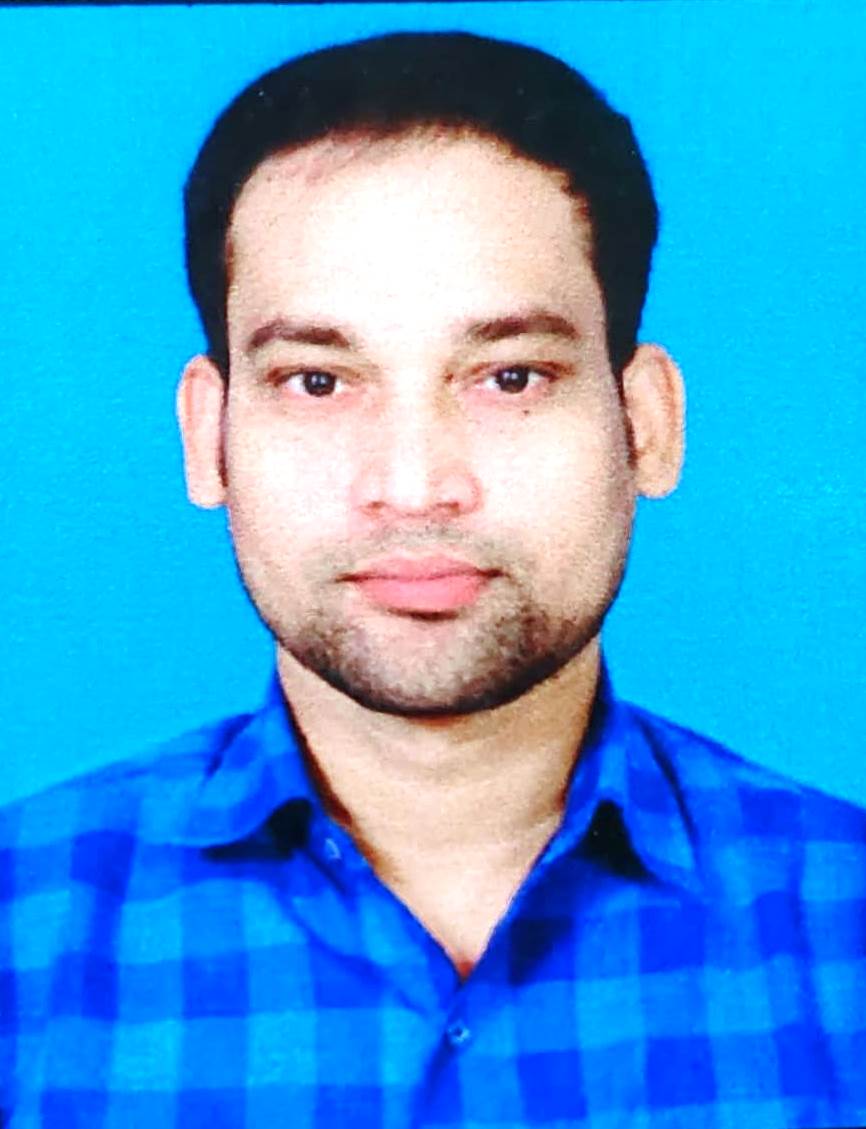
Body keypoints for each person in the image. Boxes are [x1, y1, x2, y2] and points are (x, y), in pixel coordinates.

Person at [1, 29, 864, 1129]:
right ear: (207, 435)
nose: (413, 486)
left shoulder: (843, 929)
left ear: (645, 422)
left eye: (510, 376)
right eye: (318, 382)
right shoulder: (21, 939)